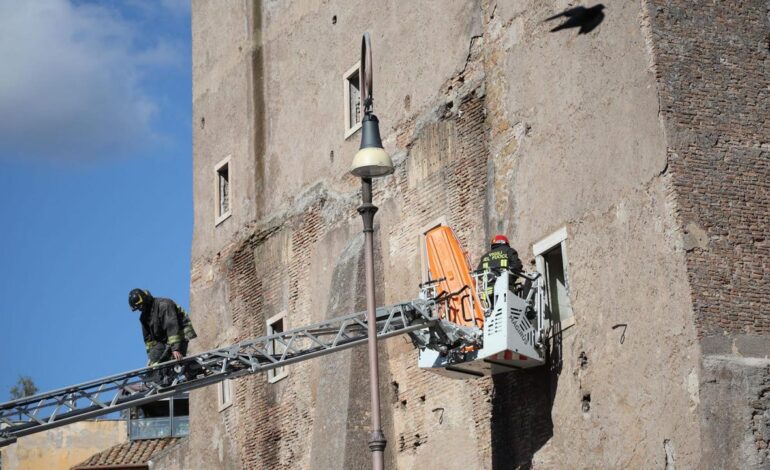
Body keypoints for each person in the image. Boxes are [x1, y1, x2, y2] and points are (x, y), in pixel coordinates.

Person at [128, 289, 197, 367]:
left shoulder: (164, 305)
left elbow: (172, 327)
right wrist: (152, 358)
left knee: (176, 358)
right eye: (138, 309)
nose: (141, 310)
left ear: (146, 300)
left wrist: (175, 349)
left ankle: (195, 370)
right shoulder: (144, 318)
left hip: (180, 332)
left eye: (141, 306)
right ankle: (157, 376)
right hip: (164, 339)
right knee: (157, 362)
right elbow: (149, 341)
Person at [476, 234, 523, 301]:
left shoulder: (485, 257)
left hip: (489, 294)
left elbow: (479, 273)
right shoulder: (509, 251)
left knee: (493, 310)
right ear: (506, 242)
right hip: (505, 289)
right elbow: (517, 266)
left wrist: (490, 279)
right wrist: (511, 278)